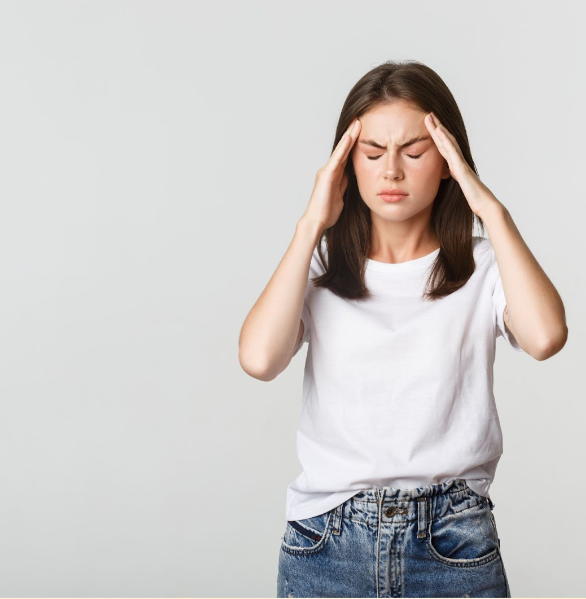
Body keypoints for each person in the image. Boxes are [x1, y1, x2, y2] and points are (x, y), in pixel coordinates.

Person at [238, 60, 568, 598]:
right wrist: (308, 226)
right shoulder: (317, 265)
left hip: (452, 540)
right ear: (347, 166)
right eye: (372, 153)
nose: (392, 170)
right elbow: (258, 359)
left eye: (414, 152)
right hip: (328, 541)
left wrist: (489, 207)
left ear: (448, 161)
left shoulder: (484, 267)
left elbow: (546, 337)